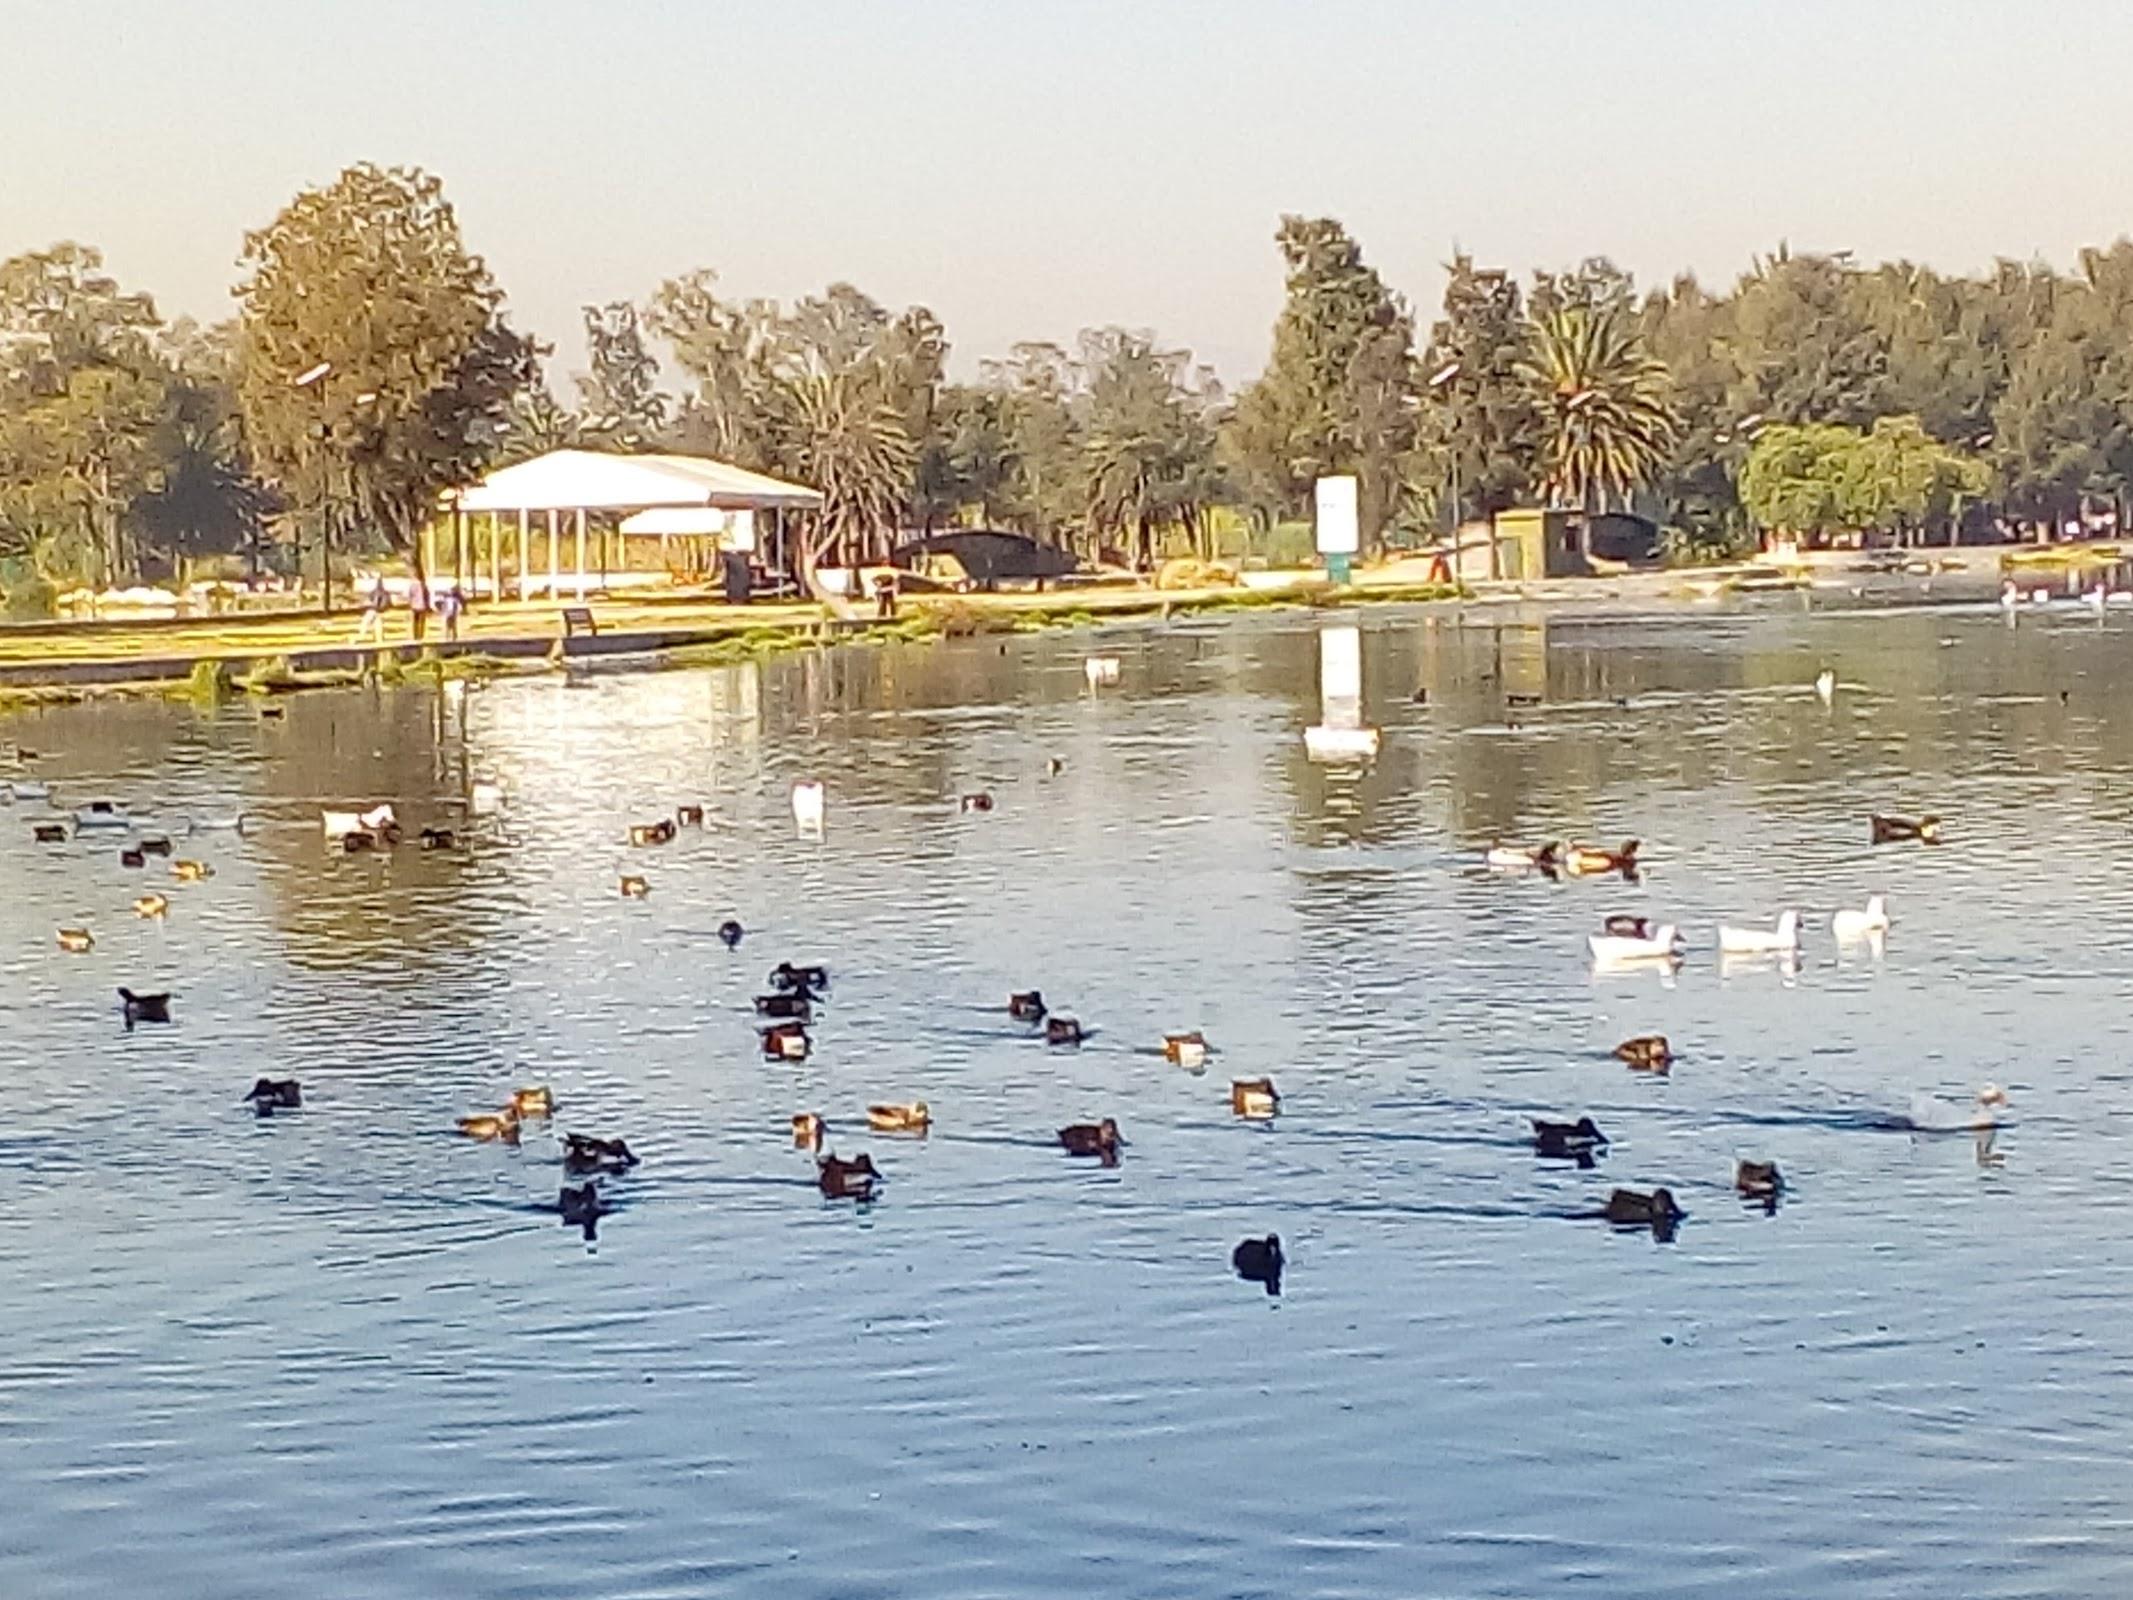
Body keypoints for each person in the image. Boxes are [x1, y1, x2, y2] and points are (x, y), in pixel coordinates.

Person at [355, 577, 389, 644]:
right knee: (377, 626)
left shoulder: (375, 592)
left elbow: (370, 601)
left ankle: (361, 636)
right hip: (377, 611)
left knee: (367, 624)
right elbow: (385, 604)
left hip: (372, 610)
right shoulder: (384, 593)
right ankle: (378, 640)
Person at [407, 574, 430, 642]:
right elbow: (427, 596)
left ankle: (415, 636)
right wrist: (427, 606)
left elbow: (410, 595)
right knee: (422, 622)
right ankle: (421, 636)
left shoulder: (412, 585)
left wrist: (411, 604)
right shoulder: (424, 586)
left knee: (415, 622)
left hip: (414, 606)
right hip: (422, 606)